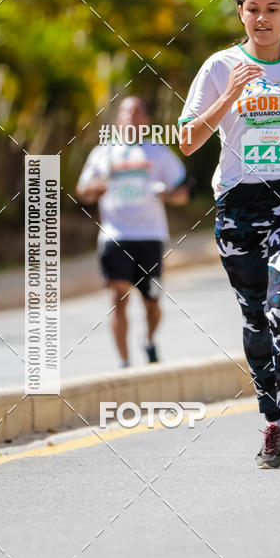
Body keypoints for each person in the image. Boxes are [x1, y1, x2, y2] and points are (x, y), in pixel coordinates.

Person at [178, 0, 280, 469]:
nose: (262, 18)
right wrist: (231, 94)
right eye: (253, 9)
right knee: (254, 315)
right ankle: (270, 422)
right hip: (239, 203)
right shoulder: (220, 66)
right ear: (240, 14)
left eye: (272, 9)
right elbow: (186, 141)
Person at [76, 96, 188, 367]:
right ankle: (125, 364)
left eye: (138, 112)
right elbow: (83, 191)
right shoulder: (103, 153)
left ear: (146, 121)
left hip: (150, 237)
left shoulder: (158, 153)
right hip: (115, 235)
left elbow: (182, 193)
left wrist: (168, 195)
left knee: (151, 301)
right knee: (118, 297)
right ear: (118, 120)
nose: (132, 117)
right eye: (126, 112)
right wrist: (96, 188)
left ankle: (148, 340)